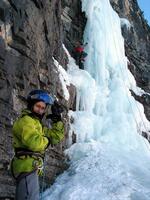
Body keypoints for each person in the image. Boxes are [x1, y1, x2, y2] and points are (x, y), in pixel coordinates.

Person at [11, 89, 65, 200]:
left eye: (43, 108)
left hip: (30, 167)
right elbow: (34, 142)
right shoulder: (26, 121)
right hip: (26, 166)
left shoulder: (37, 125)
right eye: (38, 106)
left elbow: (55, 137)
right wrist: (47, 141)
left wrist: (57, 120)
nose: (40, 110)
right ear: (31, 105)